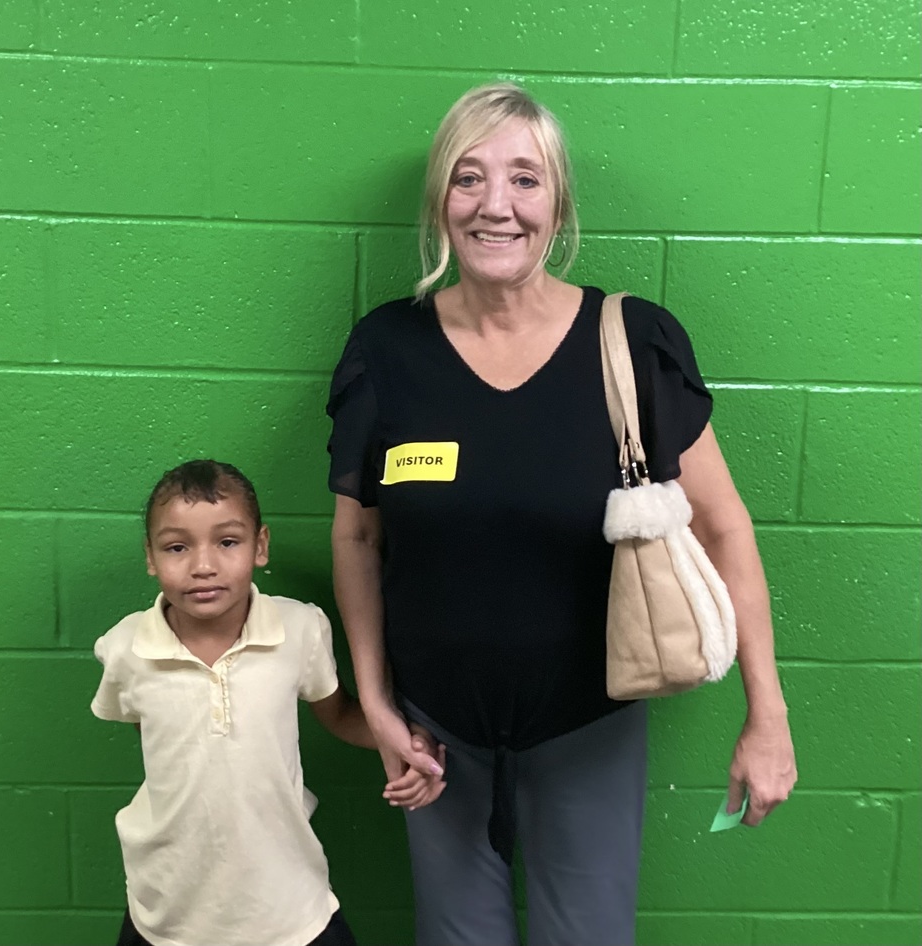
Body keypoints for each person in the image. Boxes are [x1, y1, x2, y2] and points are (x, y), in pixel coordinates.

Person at [326, 83, 797, 946]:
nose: (495, 206)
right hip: (435, 735)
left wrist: (767, 717)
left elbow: (725, 527)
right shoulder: (386, 349)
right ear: (440, 199)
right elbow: (357, 534)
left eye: (524, 180)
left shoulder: (632, 343)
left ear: (559, 204)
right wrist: (378, 701)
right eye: (468, 179)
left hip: (590, 724)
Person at [90, 459, 445, 946]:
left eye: (228, 541)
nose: (203, 565)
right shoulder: (125, 647)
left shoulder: (299, 629)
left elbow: (340, 713)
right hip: (167, 911)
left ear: (260, 546)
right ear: (151, 557)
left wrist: (407, 741)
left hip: (289, 906)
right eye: (177, 547)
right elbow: (151, 732)